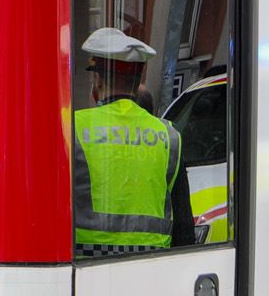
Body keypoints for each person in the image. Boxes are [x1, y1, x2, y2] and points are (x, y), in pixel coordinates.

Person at [71, 26, 186, 255]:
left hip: (86, 262)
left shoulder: (73, 127)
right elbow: (184, 227)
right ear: (137, 83)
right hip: (153, 263)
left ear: (98, 80)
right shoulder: (169, 136)